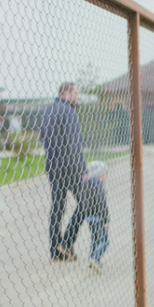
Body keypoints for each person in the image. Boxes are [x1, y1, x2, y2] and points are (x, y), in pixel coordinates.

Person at [40, 82, 88, 261]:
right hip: (70, 168)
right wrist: (82, 170)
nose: (78, 97)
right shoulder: (69, 112)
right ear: (66, 93)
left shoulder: (47, 110)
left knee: (57, 208)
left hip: (53, 166)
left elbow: (43, 137)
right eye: (76, 93)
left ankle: (55, 250)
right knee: (87, 202)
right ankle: (66, 243)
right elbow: (75, 145)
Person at [82, 161, 110, 272]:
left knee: (94, 239)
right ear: (100, 175)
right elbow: (103, 206)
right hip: (99, 218)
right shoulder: (99, 187)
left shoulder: (86, 185)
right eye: (105, 174)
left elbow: (83, 202)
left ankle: (92, 259)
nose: (106, 177)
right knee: (104, 241)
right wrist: (106, 221)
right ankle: (95, 258)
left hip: (89, 218)